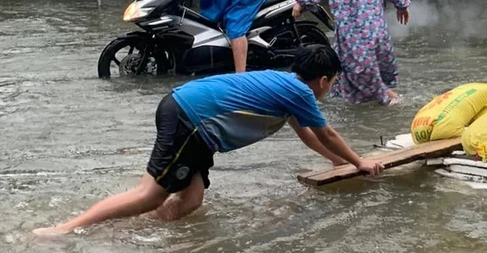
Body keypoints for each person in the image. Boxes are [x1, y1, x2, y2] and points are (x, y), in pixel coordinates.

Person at [32, 47, 384, 237]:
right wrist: (360, 163)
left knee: (191, 199)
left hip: (189, 117)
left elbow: (308, 136)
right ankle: (65, 229)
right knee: (151, 194)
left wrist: (340, 163)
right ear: (322, 80)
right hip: (191, 120)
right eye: (333, 83)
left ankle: (133, 232)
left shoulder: (286, 87)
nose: (331, 89)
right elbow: (327, 133)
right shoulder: (299, 91)